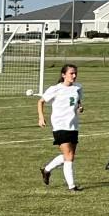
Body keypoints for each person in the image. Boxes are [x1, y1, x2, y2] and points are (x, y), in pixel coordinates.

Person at [37, 64, 85, 192]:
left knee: (69, 155)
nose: (74, 76)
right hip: (59, 125)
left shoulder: (78, 87)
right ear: (63, 75)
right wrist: (41, 117)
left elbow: (78, 102)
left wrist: (80, 107)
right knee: (69, 156)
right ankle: (72, 186)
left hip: (73, 125)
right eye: (71, 73)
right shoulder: (55, 89)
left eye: (75, 73)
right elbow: (41, 101)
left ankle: (46, 170)